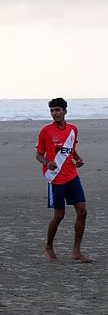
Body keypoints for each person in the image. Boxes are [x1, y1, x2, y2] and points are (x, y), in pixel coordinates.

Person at [35, 97, 89, 262]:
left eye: (57, 110)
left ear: (65, 111)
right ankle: (49, 247)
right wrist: (47, 163)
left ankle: (76, 250)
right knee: (59, 215)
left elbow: (70, 149)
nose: (54, 113)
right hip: (55, 178)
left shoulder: (73, 129)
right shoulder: (46, 131)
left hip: (72, 175)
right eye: (52, 111)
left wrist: (78, 159)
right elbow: (38, 154)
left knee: (82, 211)